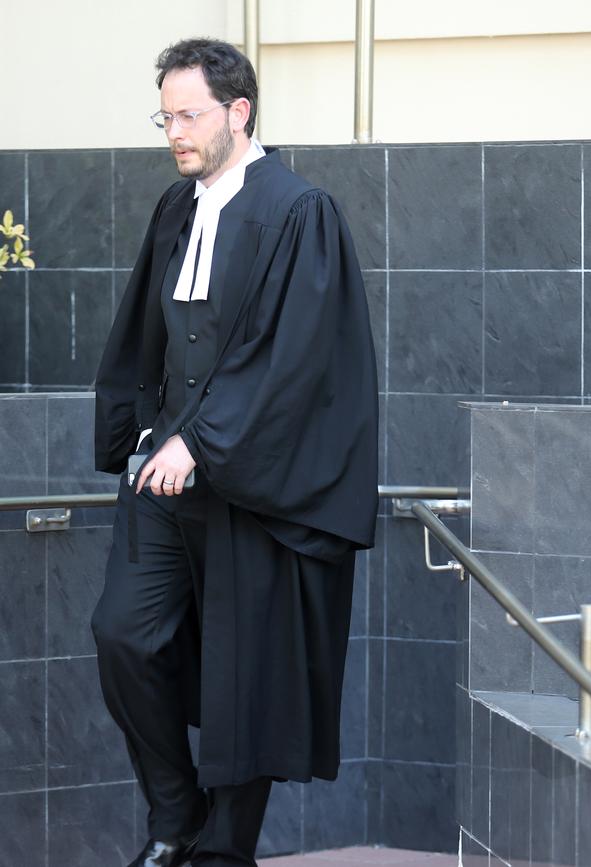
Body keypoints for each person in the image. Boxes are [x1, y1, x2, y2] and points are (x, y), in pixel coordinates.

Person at [91, 37, 378, 867]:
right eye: (166, 116)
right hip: (164, 476)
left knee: (243, 676)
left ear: (238, 111)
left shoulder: (299, 212)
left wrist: (203, 441)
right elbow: (147, 331)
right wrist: (139, 428)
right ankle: (175, 812)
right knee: (123, 634)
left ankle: (221, 851)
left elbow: (292, 360)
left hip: (248, 484)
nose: (174, 132)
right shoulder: (177, 208)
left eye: (189, 115)